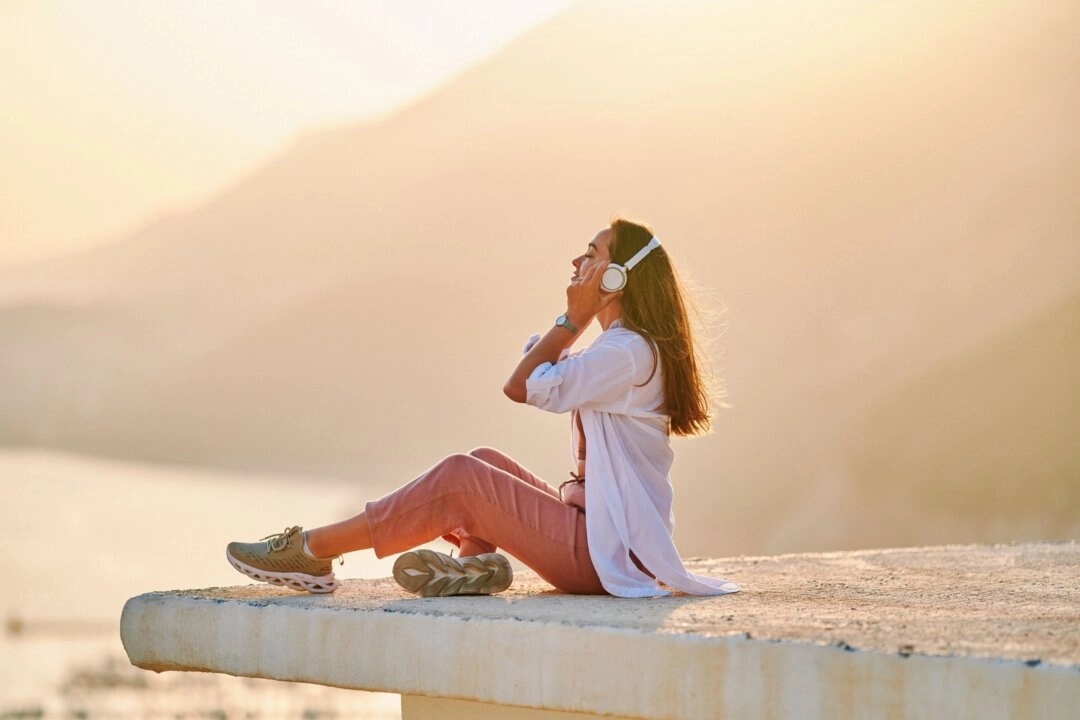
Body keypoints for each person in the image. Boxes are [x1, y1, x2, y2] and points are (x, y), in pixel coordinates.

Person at [226, 217, 739, 598]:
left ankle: (310, 552)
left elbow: (523, 386)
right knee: (485, 459)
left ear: (616, 279)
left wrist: (573, 317)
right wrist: (575, 323)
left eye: (591, 254)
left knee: (461, 477)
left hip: (605, 557)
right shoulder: (625, 347)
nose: (576, 263)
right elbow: (539, 375)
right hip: (605, 536)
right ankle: (473, 566)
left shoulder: (626, 352)